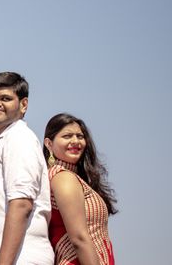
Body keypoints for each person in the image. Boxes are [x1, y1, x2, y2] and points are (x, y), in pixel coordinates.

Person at [0, 72, 53, 265]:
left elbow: (22, 204)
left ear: (23, 105)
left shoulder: (19, 138)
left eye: (5, 98)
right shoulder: (6, 140)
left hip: (21, 258)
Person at [42, 113, 117, 265]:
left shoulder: (72, 177)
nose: (75, 141)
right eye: (67, 136)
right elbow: (79, 238)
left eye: (80, 136)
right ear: (49, 144)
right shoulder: (63, 177)